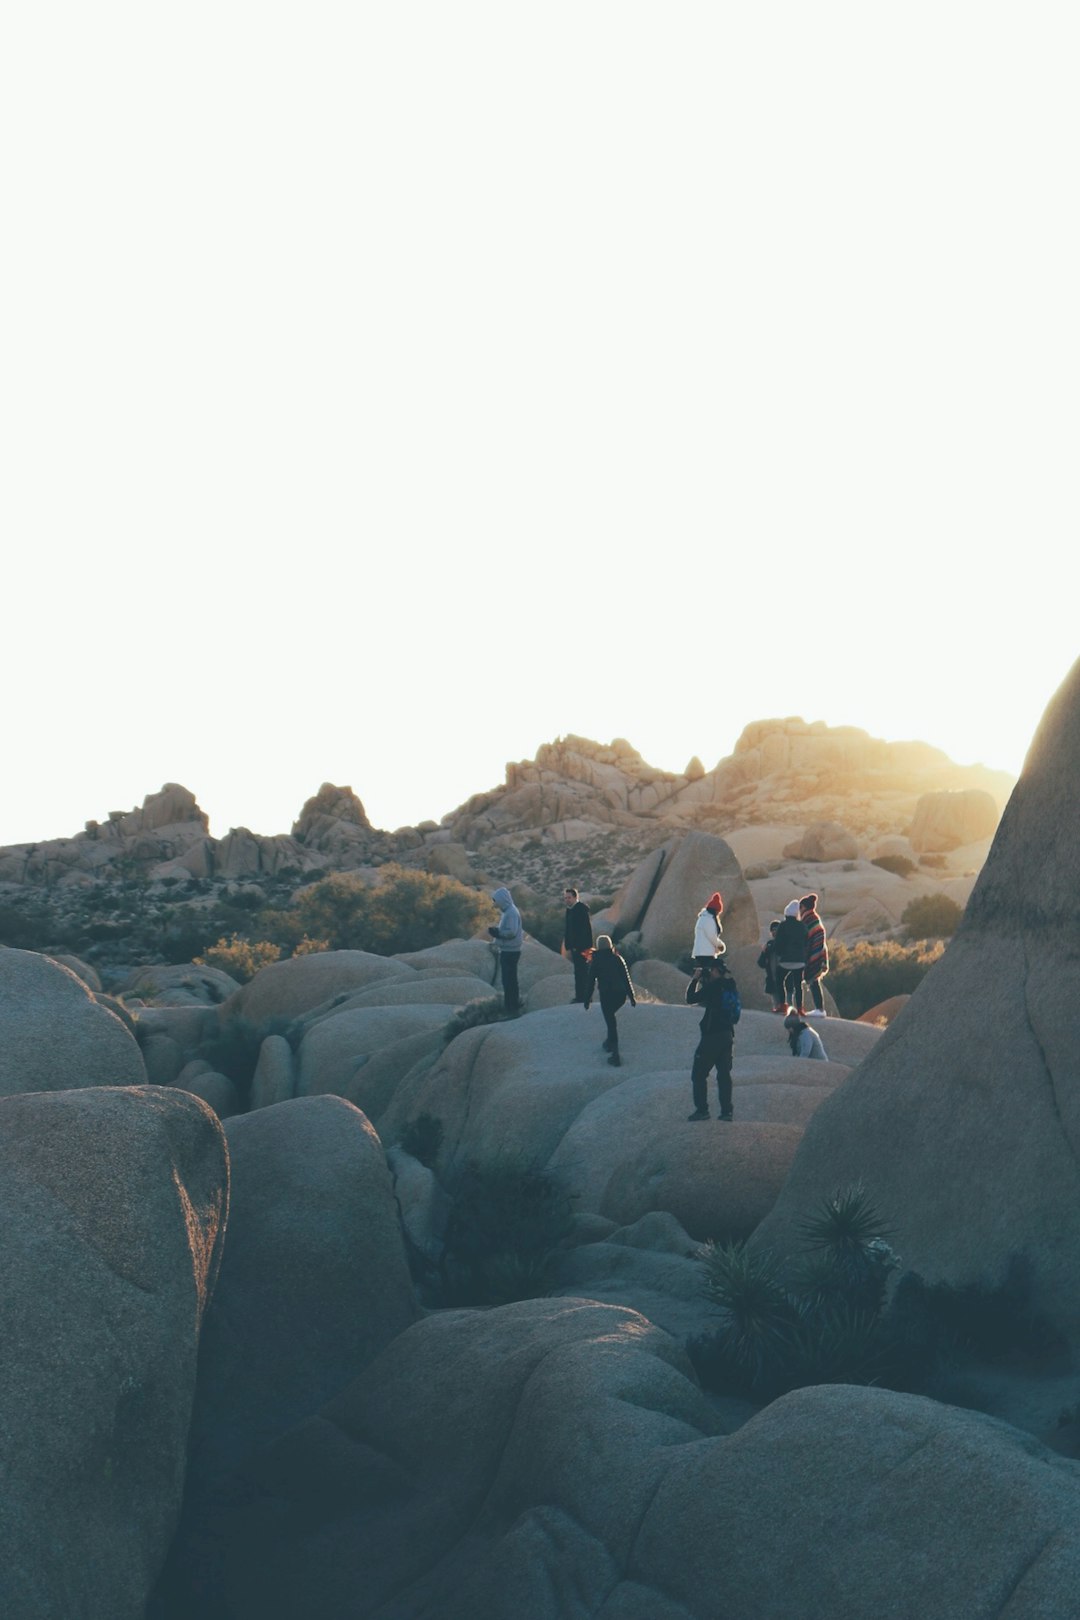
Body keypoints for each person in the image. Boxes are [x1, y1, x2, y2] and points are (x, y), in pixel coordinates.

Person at [685, 956, 740, 1121]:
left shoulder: (714, 986)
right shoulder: (730, 986)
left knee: (698, 1074)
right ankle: (727, 1112)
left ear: (715, 971)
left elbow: (690, 999)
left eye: (711, 970)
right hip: (728, 1034)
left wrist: (695, 979)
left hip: (712, 1035)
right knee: (724, 1074)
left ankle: (702, 1110)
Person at [583, 934, 636, 1066]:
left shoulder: (596, 961)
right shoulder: (617, 959)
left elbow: (590, 982)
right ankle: (609, 1042)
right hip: (620, 995)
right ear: (610, 945)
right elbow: (626, 978)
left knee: (610, 1021)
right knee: (610, 1018)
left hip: (607, 995)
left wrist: (587, 1000)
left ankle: (615, 1054)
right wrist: (631, 997)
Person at [488, 886, 523, 1013]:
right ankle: (512, 1006)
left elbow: (512, 932)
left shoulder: (511, 913)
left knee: (509, 981)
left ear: (502, 900)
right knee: (509, 980)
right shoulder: (508, 911)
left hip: (511, 951)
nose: (494, 903)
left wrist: (498, 933)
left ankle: (512, 1008)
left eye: (495, 900)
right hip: (509, 950)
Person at [773, 899, 809, 1015]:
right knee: (798, 985)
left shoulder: (783, 926)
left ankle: (783, 1005)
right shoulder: (802, 926)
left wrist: (779, 955)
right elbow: (806, 942)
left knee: (779, 979)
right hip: (799, 961)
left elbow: (778, 943)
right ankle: (799, 1008)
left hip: (786, 960)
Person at [563, 886, 594, 1004]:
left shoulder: (580, 910)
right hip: (575, 947)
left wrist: (579, 946)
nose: (567, 900)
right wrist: (569, 945)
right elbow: (568, 929)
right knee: (578, 972)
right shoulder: (570, 910)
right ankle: (580, 996)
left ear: (576, 897)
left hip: (582, 948)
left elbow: (585, 931)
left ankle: (585, 997)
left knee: (583, 973)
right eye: (565, 898)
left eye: (569, 897)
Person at [799, 893, 829, 1016]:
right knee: (814, 981)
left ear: (804, 907)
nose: (799, 910)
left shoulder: (809, 919)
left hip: (813, 955)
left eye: (800, 907)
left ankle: (820, 1009)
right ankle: (819, 1009)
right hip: (816, 954)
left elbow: (806, 938)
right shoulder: (813, 918)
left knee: (814, 981)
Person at [691, 892, 725, 968]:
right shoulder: (708, 920)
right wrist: (720, 945)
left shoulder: (703, 918)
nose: (718, 914)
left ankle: (695, 980)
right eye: (718, 912)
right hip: (706, 953)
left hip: (701, 952)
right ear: (715, 910)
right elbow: (711, 936)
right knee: (710, 972)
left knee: (700, 972)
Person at [756, 919, 781, 1003]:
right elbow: (761, 963)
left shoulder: (784, 943)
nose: (774, 932)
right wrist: (764, 952)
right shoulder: (769, 944)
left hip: (783, 978)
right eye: (773, 930)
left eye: (776, 929)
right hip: (772, 979)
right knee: (776, 1003)